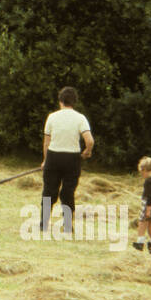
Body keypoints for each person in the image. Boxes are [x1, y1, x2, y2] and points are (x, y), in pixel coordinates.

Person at [40, 86, 94, 236]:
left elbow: (46, 142)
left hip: (54, 156)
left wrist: (45, 160)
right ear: (74, 102)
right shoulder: (80, 118)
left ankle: (43, 224)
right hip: (72, 159)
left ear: (60, 101)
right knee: (68, 192)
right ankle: (68, 226)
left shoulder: (52, 117)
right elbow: (89, 140)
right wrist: (86, 152)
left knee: (49, 191)